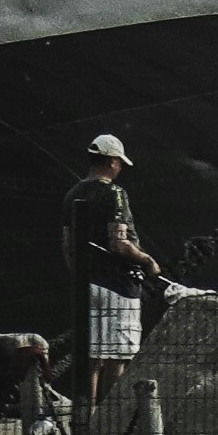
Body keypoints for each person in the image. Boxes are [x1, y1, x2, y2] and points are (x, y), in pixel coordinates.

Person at [61, 134, 160, 405]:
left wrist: (81, 278)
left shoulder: (73, 193)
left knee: (91, 357)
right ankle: (109, 423)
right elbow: (118, 242)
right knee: (117, 356)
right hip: (119, 285)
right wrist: (147, 261)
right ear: (113, 162)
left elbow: (68, 245)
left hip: (87, 283)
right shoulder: (114, 193)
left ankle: (85, 422)